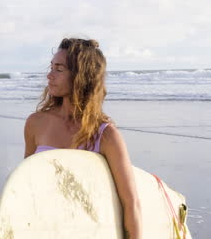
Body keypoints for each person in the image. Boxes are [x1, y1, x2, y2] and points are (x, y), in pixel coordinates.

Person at [24, 38, 142, 238]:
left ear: (82, 76)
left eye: (59, 69)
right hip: (45, 229)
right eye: (51, 67)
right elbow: (27, 184)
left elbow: (131, 204)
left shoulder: (105, 135)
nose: (49, 75)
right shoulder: (36, 123)